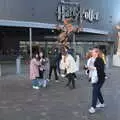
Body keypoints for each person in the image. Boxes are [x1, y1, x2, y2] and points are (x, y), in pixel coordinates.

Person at [88, 48, 105, 114]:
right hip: (93, 78)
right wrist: (87, 68)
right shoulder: (91, 59)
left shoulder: (100, 59)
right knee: (97, 91)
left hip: (99, 79)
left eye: (93, 52)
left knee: (95, 91)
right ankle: (102, 103)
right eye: (92, 52)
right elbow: (89, 69)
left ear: (97, 53)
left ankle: (93, 107)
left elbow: (101, 69)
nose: (92, 53)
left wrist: (92, 68)